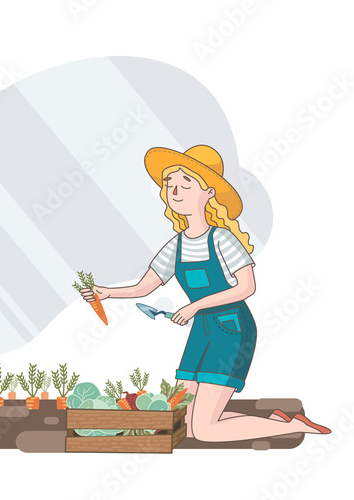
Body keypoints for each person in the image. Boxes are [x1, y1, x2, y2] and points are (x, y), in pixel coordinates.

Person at [79, 145, 330, 442]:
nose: (175, 190)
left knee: (205, 432)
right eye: (170, 184)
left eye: (186, 184)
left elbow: (247, 287)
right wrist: (106, 292)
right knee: (185, 420)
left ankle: (294, 426)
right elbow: (145, 286)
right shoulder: (177, 244)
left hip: (232, 332)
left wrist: (196, 305)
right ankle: (276, 420)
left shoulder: (223, 238)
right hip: (202, 332)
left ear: (209, 193)